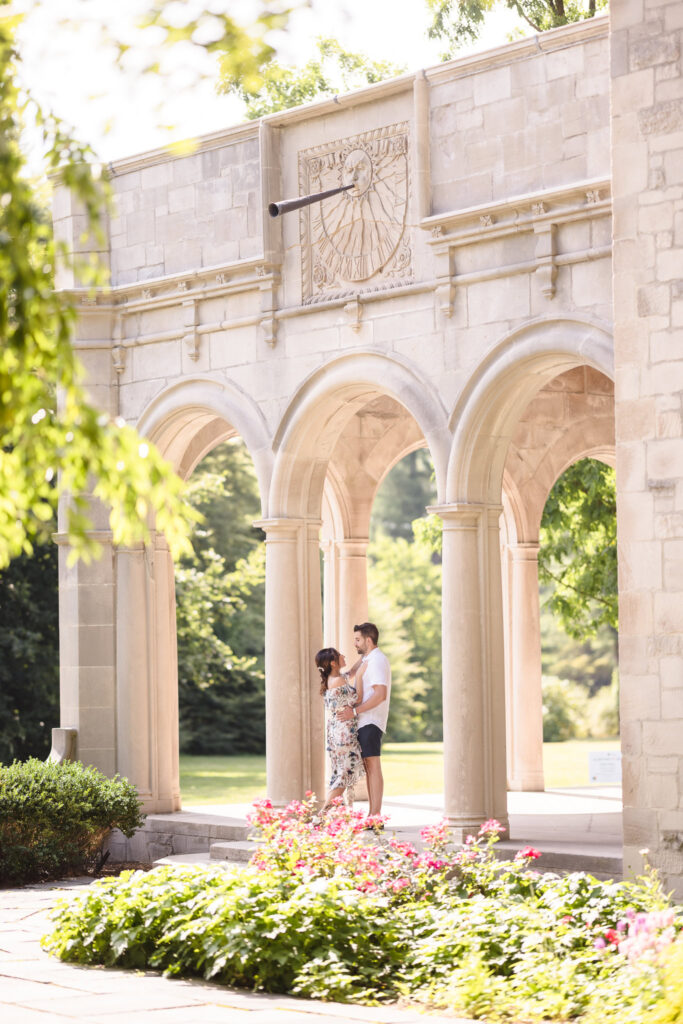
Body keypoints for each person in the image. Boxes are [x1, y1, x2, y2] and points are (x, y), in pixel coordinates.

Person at [337, 622, 391, 822]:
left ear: (369, 640)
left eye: (358, 640)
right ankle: (372, 815)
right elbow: (350, 674)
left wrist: (354, 711)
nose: (355, 644)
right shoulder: (367, 659)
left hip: (371, 721)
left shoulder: (376, 661)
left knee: (373, 765)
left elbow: (380, 695)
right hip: (364, 720)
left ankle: (375, 817)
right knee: (369, 766)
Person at [315, 647, 365, 811]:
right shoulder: (339, 682)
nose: (344, 655)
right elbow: (358, 699)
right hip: (343, 732)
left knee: (341, 772)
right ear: (333, 663)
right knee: (344, 773)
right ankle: (322, 814)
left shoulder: (334, 678)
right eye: (339, 655)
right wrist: (361, 676)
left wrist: (365, 657)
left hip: (336, 731)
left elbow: (351, 671)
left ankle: (331, 813)